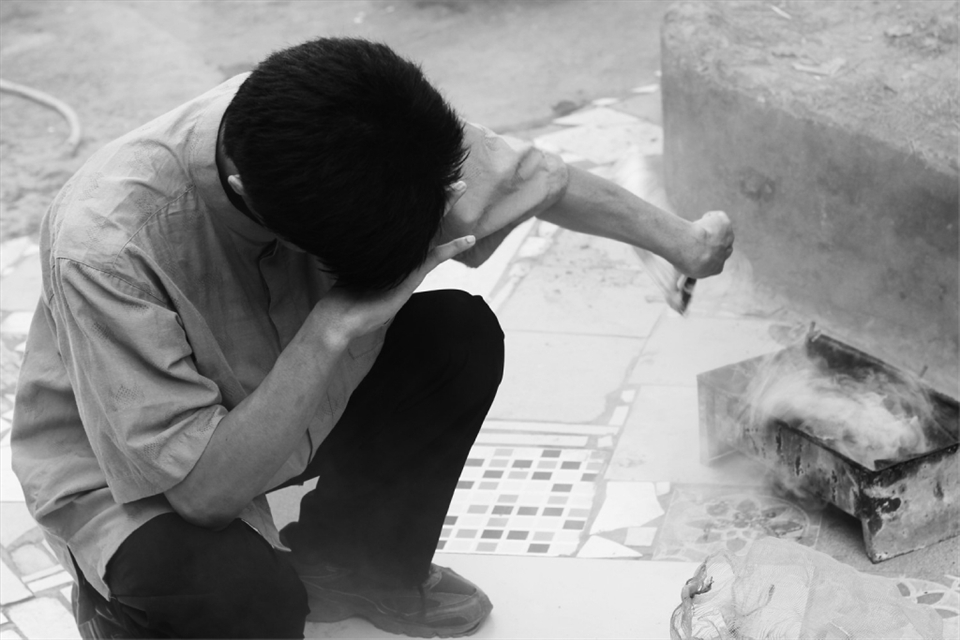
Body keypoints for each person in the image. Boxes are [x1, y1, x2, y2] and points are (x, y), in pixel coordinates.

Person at [11, 37, 733, 639]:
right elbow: (202, 495)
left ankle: (350, 566)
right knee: (240, 601)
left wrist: (683, 244)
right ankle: (118, 608)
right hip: (139, 474)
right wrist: (329, 330)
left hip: (279, 393)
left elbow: (538, 178)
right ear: (259, 205)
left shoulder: (353, 125)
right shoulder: (105, 245)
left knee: (457, 335)